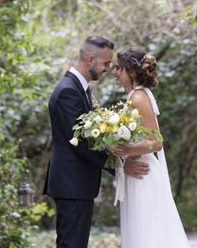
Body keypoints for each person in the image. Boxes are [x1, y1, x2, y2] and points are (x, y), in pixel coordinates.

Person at [43, 36, 150, 248]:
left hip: (76, 185)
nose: (109, 69)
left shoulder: (79, 88)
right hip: (71, 185)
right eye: (106, 63)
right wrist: (118, 164)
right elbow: (82, 143)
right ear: (90, 59)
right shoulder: (68, 91)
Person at [111, 48, 190, 248]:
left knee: (147, 232)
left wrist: (125, 150)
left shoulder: (138, 98)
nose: (114, 72)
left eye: (118, 68)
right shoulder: (133, 97)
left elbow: (156, 142)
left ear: (132, 72)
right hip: (134, 172)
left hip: (143, 175)